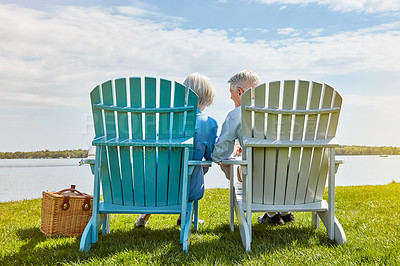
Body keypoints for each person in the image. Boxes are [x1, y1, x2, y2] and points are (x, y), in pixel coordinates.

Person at [211, 70, 295, 226]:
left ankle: (272, 214)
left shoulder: (236, 114)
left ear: (240, 91)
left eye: (231, 92)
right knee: (274, 164)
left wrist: (235, 150)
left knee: (234, 166)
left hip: (257, 178)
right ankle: (284, 213)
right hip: (290, 176)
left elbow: (219, 154)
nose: (230, 97)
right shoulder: (280, 111)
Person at [135, 73, 218, 227]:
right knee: (196, 164)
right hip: (189, 185)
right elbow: (210, 155)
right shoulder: (209, 123)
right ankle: (186, 214)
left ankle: (144, 214)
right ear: (207, 96)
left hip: (159, 182)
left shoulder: (169, 119)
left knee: (170, 162)